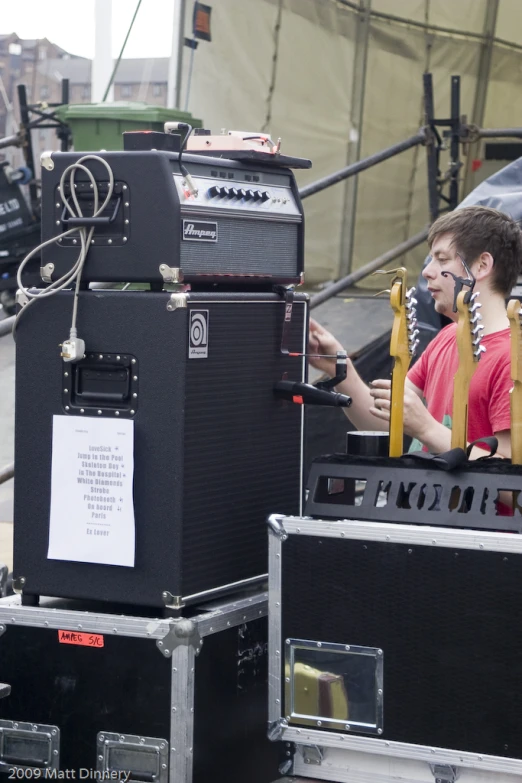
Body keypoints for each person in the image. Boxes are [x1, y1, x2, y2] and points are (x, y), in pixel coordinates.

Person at [309, 206, 522, 460]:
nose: (427, 271)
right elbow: (388, 424)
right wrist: (339, 368)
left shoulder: (513, 356)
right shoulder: (446, 337)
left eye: (442, 260)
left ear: (482, 265)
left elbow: (512, 483)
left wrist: (427, 428)